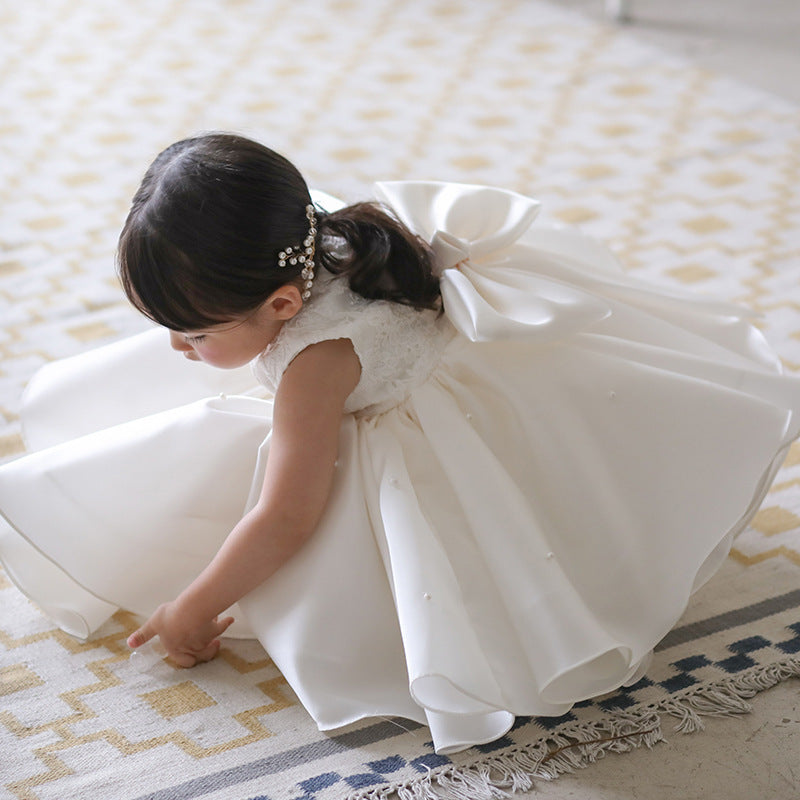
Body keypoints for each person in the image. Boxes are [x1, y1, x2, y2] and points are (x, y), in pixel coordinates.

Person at [1, 132, 798, 753]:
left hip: (425, 421)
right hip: (431, 363)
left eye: (195, 334)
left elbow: (286, 517)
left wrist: (194, 606)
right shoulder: (318, 228)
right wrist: (210, 333)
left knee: (226, 486)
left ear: (283, 302)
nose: (178, 348)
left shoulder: (317, 364)